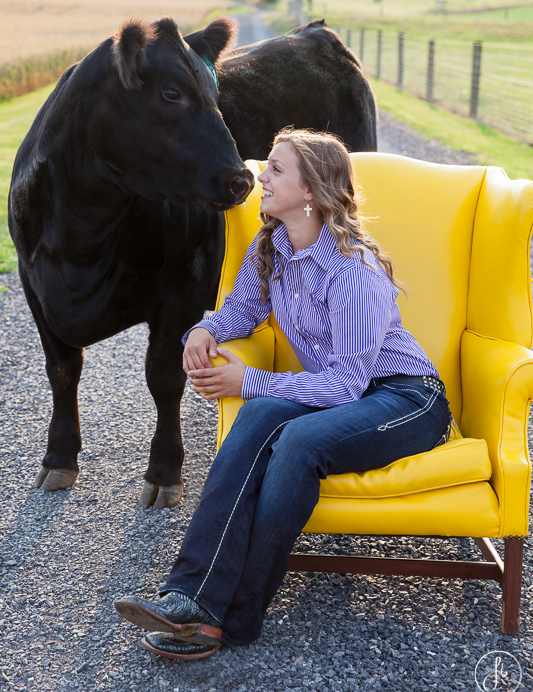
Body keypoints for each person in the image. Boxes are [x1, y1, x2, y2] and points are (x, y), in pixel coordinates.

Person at [114, 129, 453, 661]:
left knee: (296, 442)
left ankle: (233, 619)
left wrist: (246, 379)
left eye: (274, 169)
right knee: (260, 417)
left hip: (407, 400)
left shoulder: (352, 271)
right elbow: (242, 310)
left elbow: (347, 384)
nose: (261, 179)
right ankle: (190, 598)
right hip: (347, 390)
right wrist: (204, 330)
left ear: (312, 191)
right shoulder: (271, 246)